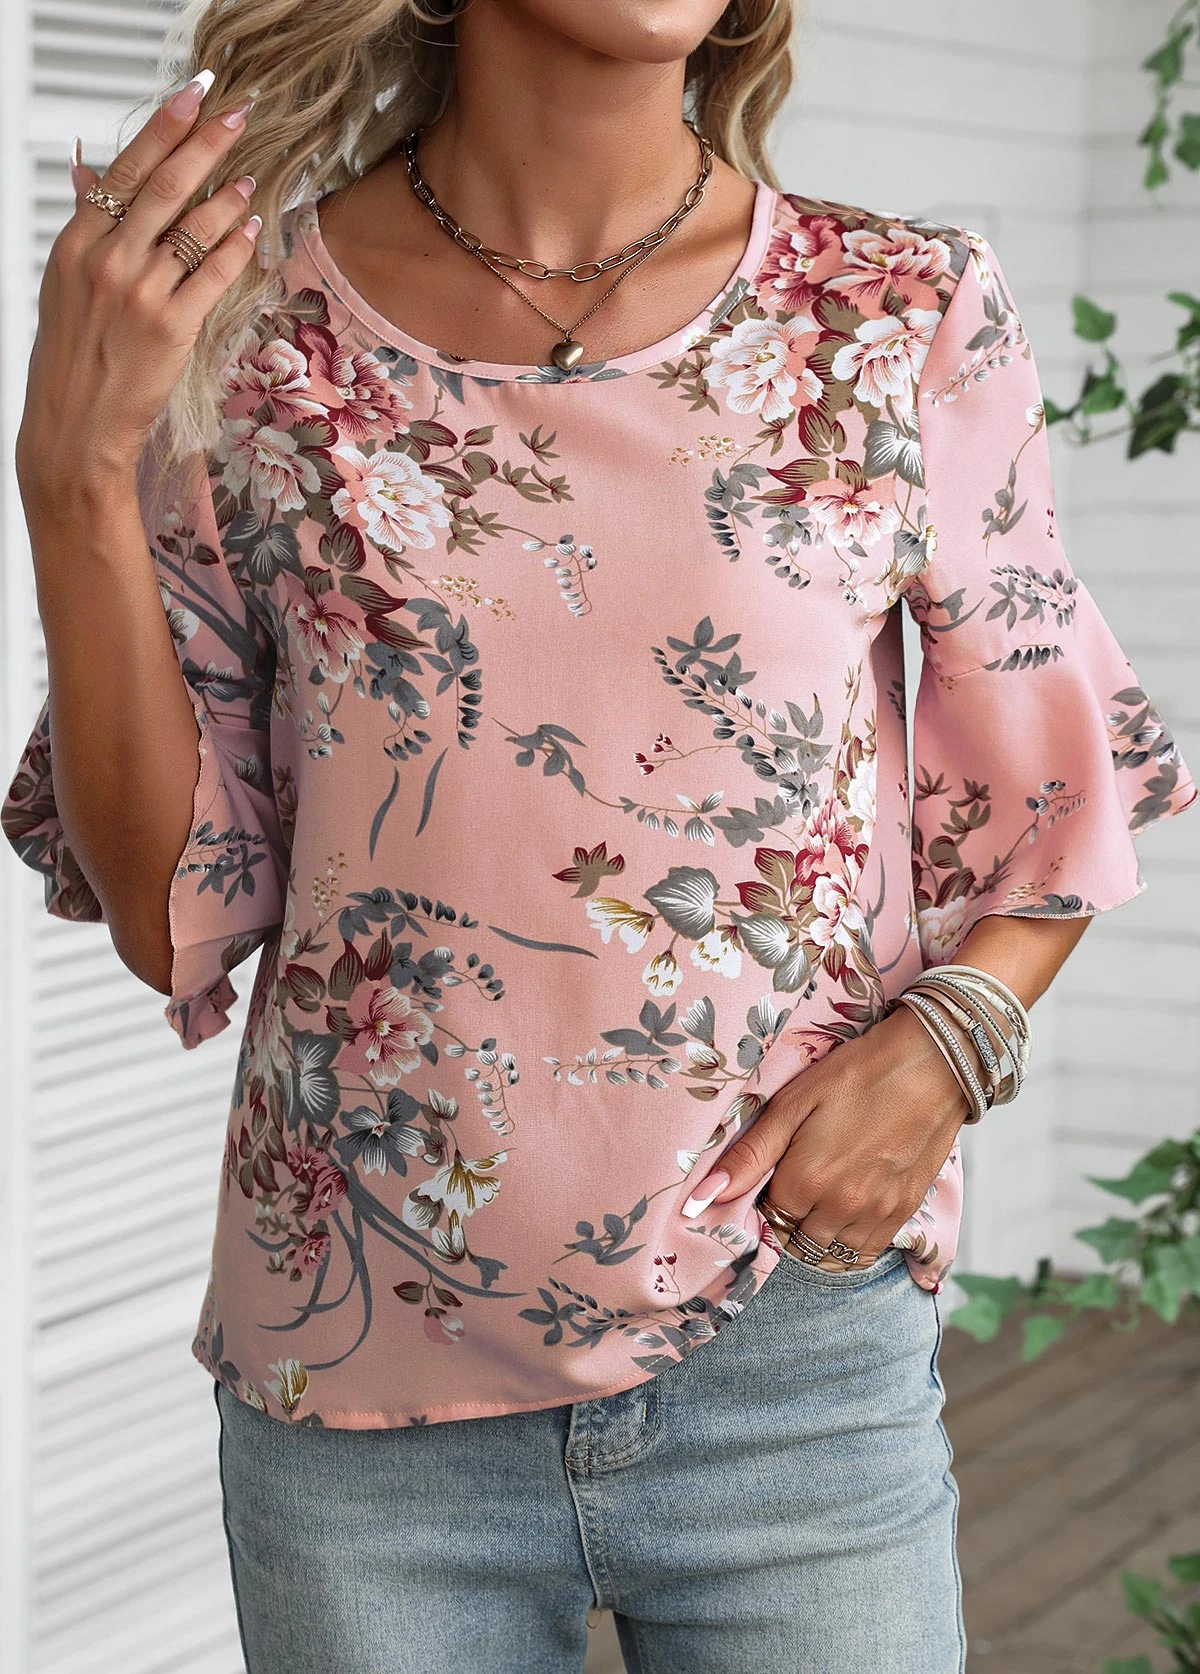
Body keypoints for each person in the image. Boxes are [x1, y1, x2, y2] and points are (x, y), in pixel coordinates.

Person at [4, 0, 1195, 1669]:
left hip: (791, 1354)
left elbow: (1056, 789)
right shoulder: (252, 334)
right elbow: (169, 909)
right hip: (359, 1398)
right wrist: (72, 475)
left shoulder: (894, 309)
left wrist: (953, 1040)